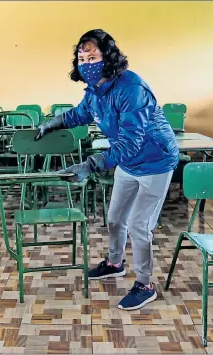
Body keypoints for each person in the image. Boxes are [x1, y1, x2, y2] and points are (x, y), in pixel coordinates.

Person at [35, 29, 179, 310]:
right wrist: (54, 123)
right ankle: (115, 263)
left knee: (140, 225)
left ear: (108, 58)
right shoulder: (95, 90)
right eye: (82, 58)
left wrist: (91, 164)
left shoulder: (131, 89)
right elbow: (81, 113)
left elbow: (132, 142)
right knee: (114, 218)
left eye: (93, 57)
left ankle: (145, 284)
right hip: (127, 162)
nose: (87, 63)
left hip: (155, 162)